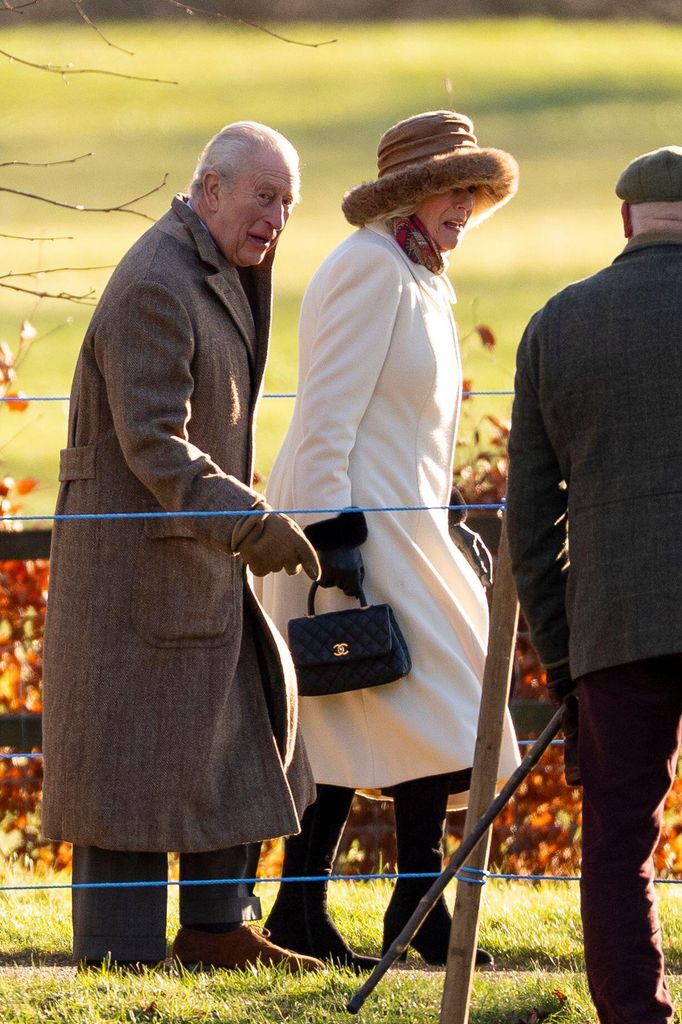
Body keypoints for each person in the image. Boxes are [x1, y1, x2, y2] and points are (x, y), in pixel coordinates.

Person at [41, 121, 325, 972]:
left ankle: (214, 931)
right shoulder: (158, 284)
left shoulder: (214, 266)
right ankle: (120, 959)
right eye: (262, 196)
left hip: (189, 557)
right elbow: (155, 442)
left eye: (287, 202)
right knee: (128, 768)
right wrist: (249, 521)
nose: (277, 217)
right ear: (208, 191)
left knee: (236, 732)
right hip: (135, 578)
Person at [257, 110, 521, 970]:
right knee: (406, 706)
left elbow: (414, 421)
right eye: (455, 188)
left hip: (408, 524)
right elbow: (327, 412)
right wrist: (330, 537)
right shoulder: (369, 269)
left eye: (475, 191)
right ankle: (404, 906)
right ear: (411, 192)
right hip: (355, 524)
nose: (467, 207)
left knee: (374, 716)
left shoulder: (421, 273)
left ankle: (345, 908)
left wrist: (447, 511)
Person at [506, 146, 682, 1024]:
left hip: (615, 627)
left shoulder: (558, 326)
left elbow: (529, 524)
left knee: (619, 843)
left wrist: (566, 664)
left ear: (625, 221)